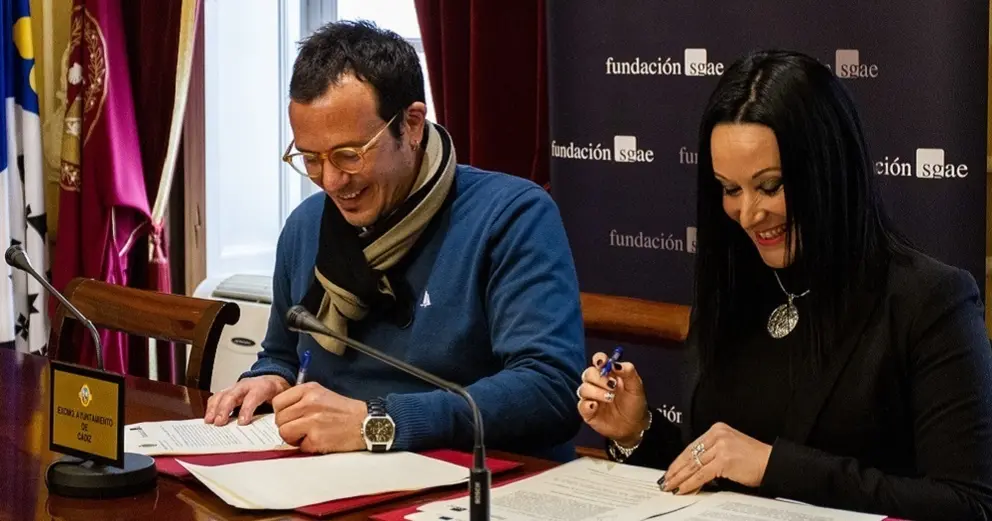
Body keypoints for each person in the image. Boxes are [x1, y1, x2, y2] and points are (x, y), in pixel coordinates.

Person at [577, 50, 992, 520]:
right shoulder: (731, 287)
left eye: (770, 186)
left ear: (830, 170)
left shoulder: (931, 302)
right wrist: (638, 432)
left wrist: (775, 466)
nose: (749, 215)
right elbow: (717, 472)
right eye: (730, 189)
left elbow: (967, 504)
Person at [204, 20, 585, 462]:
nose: (330, 181)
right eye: (310, 158)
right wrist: (269, 379)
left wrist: (379, 422)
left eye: (349, 155)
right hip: (332, 474)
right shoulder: (305, 226)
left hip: (478, 476)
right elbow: (281, 355)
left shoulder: (511, 215)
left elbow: (550, 391)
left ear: (412, 124)